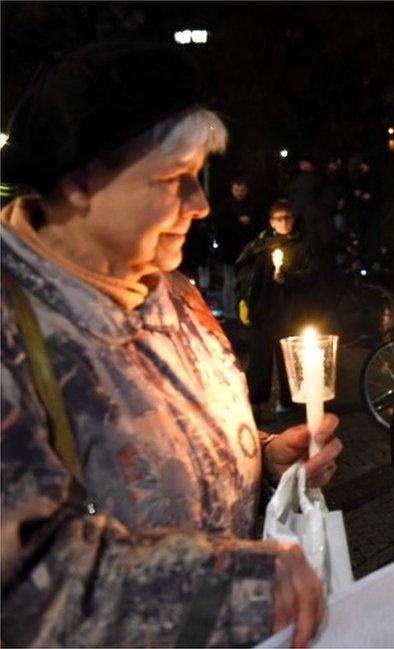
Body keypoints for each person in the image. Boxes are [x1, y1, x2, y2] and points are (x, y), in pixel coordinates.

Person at [0, 42, 341, 648]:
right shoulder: (11, 326)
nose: (201, 204)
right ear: (79, 182)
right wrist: (234, 589)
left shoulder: (174, 293)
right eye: (173, 180)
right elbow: (20, 584)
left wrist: (263, 461)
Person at [236, 199, 321, 421]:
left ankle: (289, 400)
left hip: (290, 311)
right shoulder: (261, 244)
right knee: (259, 361)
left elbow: (311, 275)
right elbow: (244, 270)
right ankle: (255, 403)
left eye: (287, 218)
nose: (284, 223)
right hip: (263, 310)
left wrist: (288, 278)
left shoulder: (302, 245)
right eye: (279, 218)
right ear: (271, 222)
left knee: (289, 360)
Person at [212, 178, 260, 320]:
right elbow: (220, 226)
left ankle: (246, 310)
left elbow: (257, 225)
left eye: (242, 190)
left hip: (247, 251)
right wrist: (236, 222)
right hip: (230, 251)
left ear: (246, 190)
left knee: (247, 282)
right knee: (229, 282)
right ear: (232, 190)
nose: (239, 193)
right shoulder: (225, 206)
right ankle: (229, 311)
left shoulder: (253, 205)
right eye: (236, 190)